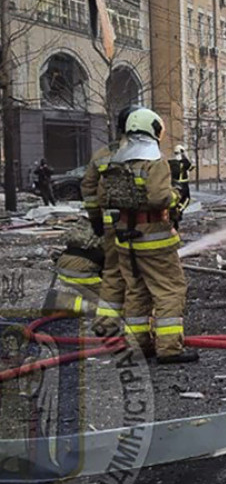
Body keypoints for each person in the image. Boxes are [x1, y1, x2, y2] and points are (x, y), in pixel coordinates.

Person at [98, 107, 196, 365]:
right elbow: (159, 198)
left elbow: (102, 197)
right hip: (154, 237)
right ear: (153, 129)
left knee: (136, 291)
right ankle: (169, 348)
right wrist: (176, 194)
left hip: (125, 238)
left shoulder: (117, 161)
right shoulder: (154, 161)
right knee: (169, 290)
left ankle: (138, 345)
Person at [81, 104, 138, 338]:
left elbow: (88, 188)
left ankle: (106, 324)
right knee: (138, 277)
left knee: (113, 273)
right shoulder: (145, 154)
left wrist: (95, 219)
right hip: (139, 225)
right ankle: (140, 332)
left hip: (110, 225)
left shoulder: (103, 154)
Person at [42, 218, 104, 317]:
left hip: (66, 261)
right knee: (109, 309)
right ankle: (60, 302)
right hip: (81, 266)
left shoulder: (96, 220)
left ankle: (62, 298)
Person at [168, 144, 192, 217]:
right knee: (186, 199)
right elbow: (190, 166)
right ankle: (179, 211)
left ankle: (174, 211)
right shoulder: (184, 162)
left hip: (173, 184)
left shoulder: (171, 163)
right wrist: (185, 153)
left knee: (176, 199)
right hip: (183, 185)